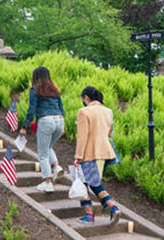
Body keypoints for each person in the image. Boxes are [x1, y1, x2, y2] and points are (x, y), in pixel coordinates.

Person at [74, 86, 120, 224]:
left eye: (83, 99)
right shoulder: (108, 111)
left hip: (89, 153)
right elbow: (110, 133)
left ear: (86, 98)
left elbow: (82, 137)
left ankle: (94, 213)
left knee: (83, 183)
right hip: (105, 153)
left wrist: (78, 156)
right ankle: (109, 208)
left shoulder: (83, 112)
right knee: (94, 183)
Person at [19, 66, 65, 192]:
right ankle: (56, 167)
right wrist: (63, 126)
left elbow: (32, 109)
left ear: (35, 77)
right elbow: (61, 108)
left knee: (43, 154)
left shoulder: (35, 90)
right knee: (48, 147)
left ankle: (47, 182)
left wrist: (24, 126)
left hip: (46, 120)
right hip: (59, 120)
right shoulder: (55, 90)